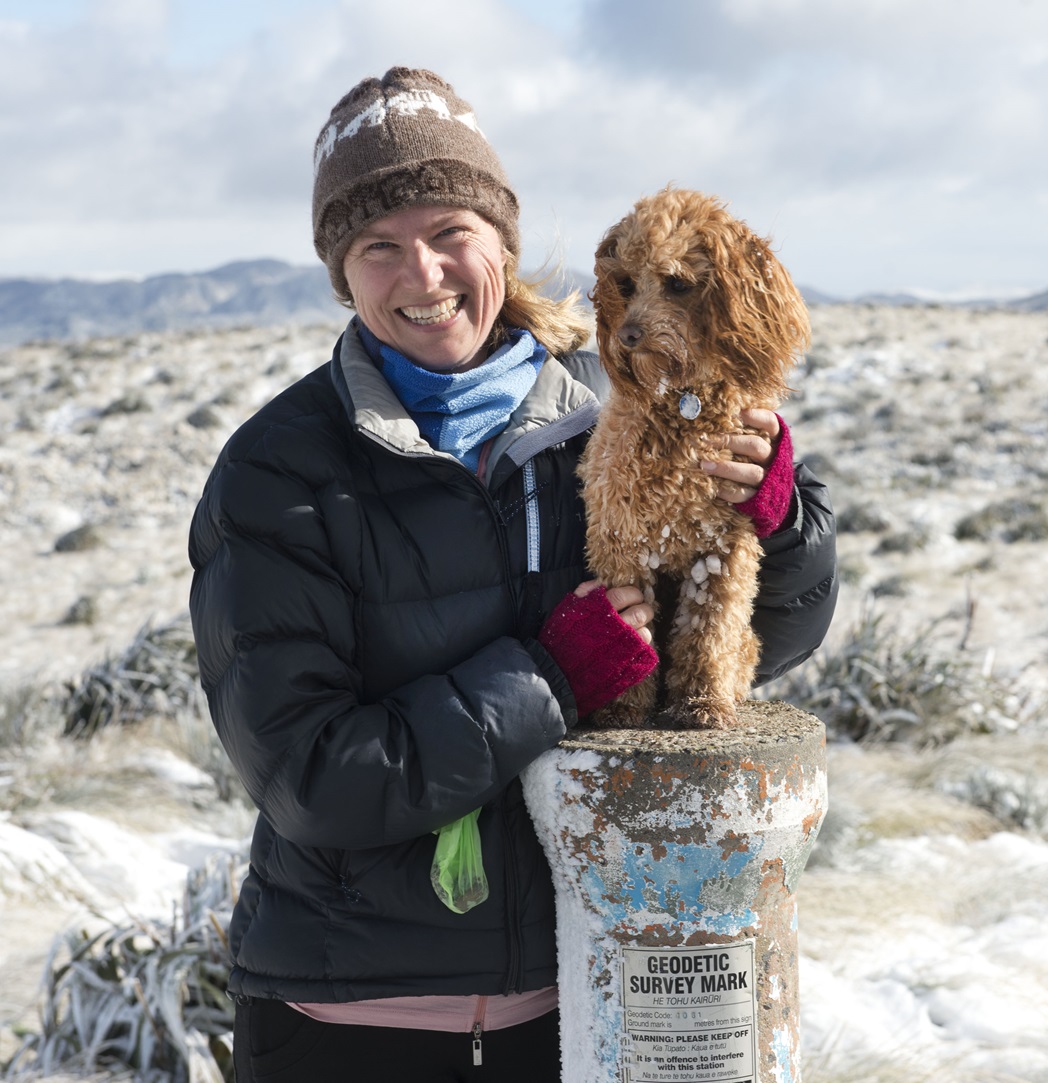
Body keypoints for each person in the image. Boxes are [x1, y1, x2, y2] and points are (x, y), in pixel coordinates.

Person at [188, 67, 837, 1083]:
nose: (424, 274)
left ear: (503, 240)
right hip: (351, 1022)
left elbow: (765, 647)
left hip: (585, 995)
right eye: (378, 248)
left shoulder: (619, 403)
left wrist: (777, 519)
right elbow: (306, 776)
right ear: (342, 274)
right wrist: (545, 679)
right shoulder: (278, 474)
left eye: (451, 231)